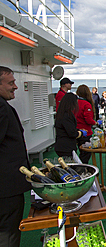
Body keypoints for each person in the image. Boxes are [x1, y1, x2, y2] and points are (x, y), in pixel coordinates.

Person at [0, 66, 32, 247]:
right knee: (8, 233)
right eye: (11, 83)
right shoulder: (1, 108)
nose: (15, 87)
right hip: (6, 188)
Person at [55, 93, 87, 158]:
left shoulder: (61, 114)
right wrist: (81, 133)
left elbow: (69, 128)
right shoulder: (66, 116)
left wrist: (78, 130)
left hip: (62, 145)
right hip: (66, 147)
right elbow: (72, 133)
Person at [75, 85, 101, 164]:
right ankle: (82, 169)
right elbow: (88, 120)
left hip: (75, 131)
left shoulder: (75, 103)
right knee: (85, 154)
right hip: (85, 132)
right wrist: (96, 123)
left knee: (78, 153)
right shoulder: (86, 104)